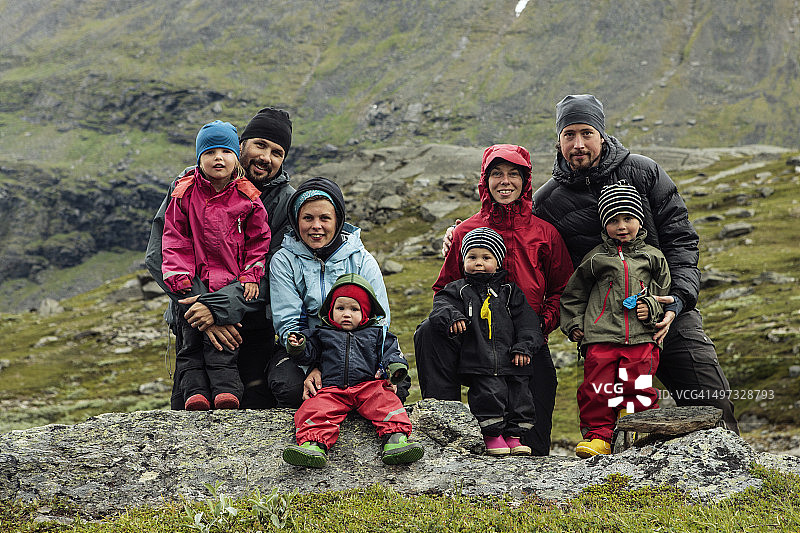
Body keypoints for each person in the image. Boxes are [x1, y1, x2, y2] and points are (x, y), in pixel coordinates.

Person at [532, 93, 739, 433]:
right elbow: (511, 228)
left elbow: (681, 239)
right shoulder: (548, 201)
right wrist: (460, 232)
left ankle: (732, 479)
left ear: (602, 133)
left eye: (586, 133)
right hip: (607, 330)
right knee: (610, 417)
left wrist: (679, 301)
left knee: (712, 402)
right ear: (558, 141)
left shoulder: (644, 172)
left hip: (667, 313)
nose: (578, 144)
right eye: (569, 135)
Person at [416, 144, 574, 456]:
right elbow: (444, 289)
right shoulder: (466, 230)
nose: (505, 181)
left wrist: (538, 327)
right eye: (497, 173)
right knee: (427, 333)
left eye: (514, 174)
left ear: (526, 181)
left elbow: (562, 292)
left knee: (535, 435)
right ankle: (446, 425)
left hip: (524, 342)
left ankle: (528, 453)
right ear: (485, 180)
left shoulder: (545, 233)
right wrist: (458, 322)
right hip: (474, 339)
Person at [145, 106, 295, 409]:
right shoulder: (186, 187)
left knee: (248, 419)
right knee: (192, 413)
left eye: (277, 152)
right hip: (192, 320)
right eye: (260, 145)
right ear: (240, 146)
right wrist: (203, 308)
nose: (266, 157)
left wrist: (219, 308)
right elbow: (160, 252)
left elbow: (274, 268)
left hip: (249, 332)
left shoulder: (287, 201)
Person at [269, 176, 408, 407]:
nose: (316, 226)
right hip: (308, 350)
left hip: (359, 346)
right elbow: (288, 324)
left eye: (325, 218)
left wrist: (366, 366)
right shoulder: (284, 261)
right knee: (291, 388)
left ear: (338, 220)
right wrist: (312, 366)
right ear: (295, 220)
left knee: (397, 387)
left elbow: (379, 320)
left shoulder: (361, 259)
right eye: (308, 218)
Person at [560, 181, 671, 457]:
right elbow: (574, 294)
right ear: (604, 224)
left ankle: (639, 426)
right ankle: (599, 437)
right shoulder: (596, 258)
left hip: (641, 336)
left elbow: (664, 293)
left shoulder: (653, 257)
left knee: (638, 383)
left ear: (640, 219)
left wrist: (651, 308)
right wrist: (575, 325)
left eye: (628, 218)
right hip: (600, 336)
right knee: (597, 388)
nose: (621, 226)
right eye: (613, 220)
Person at [282, 273, 424, 468]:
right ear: (330, 311)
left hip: (368, 387)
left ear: (365, 313)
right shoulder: (322, 333)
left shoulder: (378, 335)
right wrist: (298, 346)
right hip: (333, 390)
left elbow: (392, 354)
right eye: (340, 308)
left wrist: (396, 370)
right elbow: (308, 354)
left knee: (387, 401)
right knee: (314, 408)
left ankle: (396, 441)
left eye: (354, 309)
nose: (346, 314)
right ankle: (313, 445)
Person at [426, 227, 545, 456]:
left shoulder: (511, 292)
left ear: (498, 262)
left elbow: (528, 324)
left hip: (513, 361)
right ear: (463, 261)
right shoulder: (458, 290)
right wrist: (453, 318)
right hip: (480, 362)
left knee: (520, 399)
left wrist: (524, 347)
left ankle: (514, 436)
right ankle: (492, 436)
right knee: (488, 397)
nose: (478, 263)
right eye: (472, 257)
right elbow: (440, 306)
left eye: (486, 257)